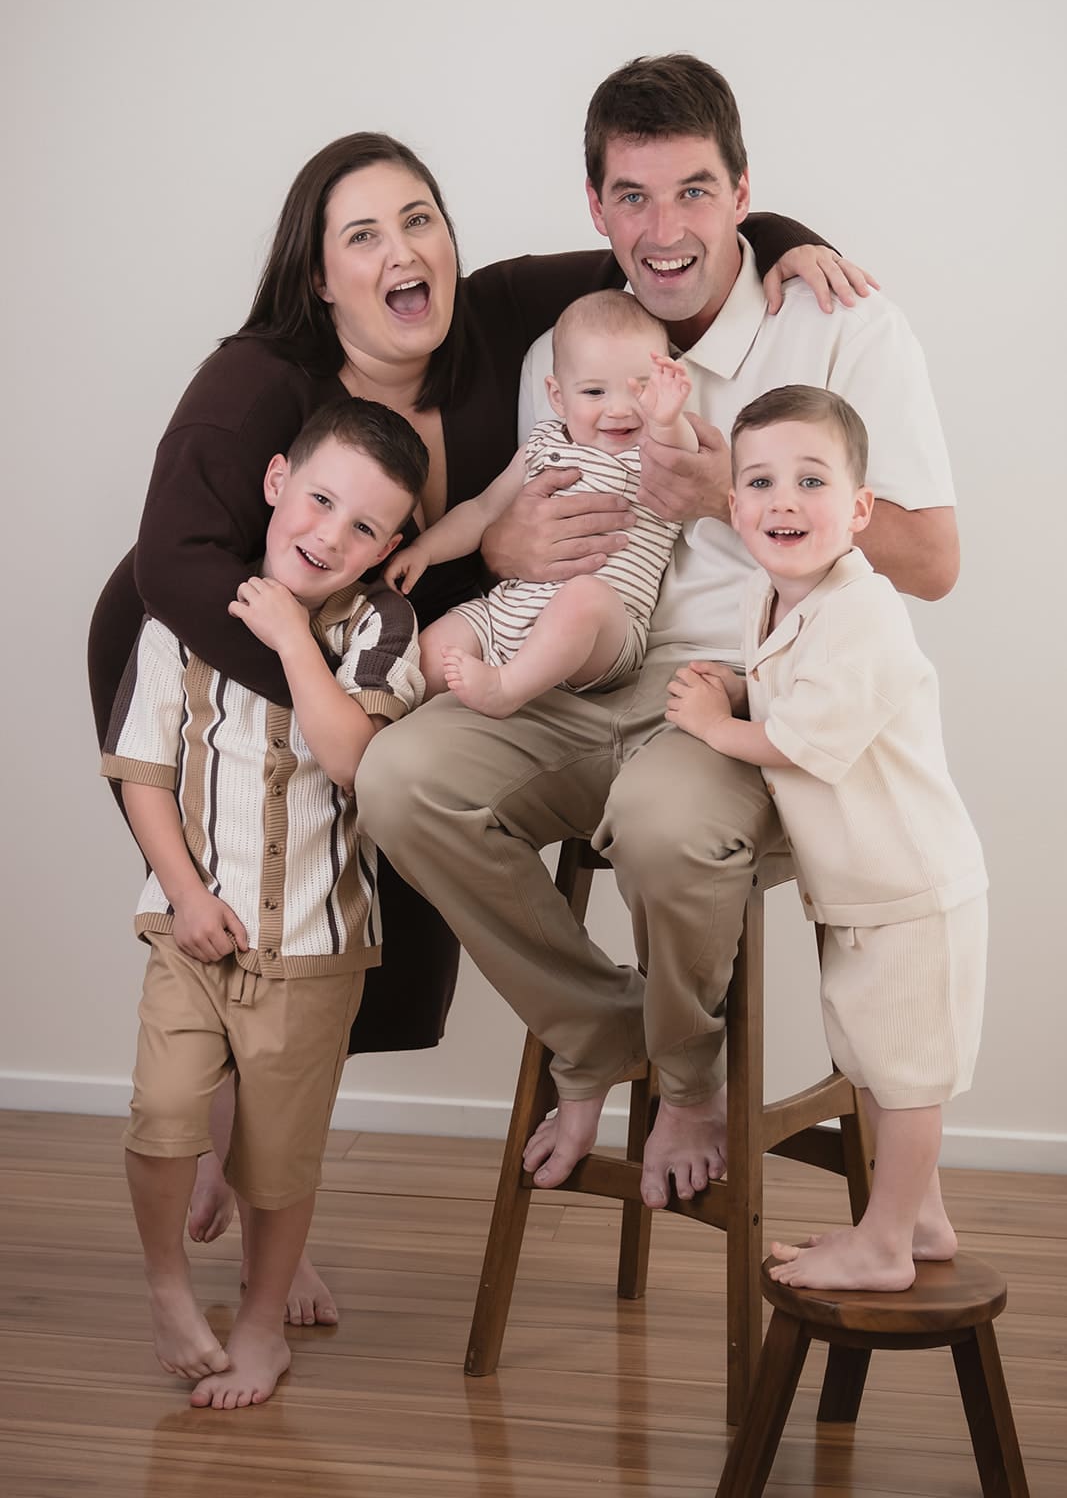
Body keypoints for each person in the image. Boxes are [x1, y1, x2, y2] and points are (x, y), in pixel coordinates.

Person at [88, 123, 863, 1315]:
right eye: (364, 235)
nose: (404, 252)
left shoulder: (498, 317)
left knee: (341, 945)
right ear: (317, 275)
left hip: (390, 664)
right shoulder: (257, 381)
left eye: (420, 221)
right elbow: (177, 564)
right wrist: (328, 670)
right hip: (220, 657)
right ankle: (252, 1199)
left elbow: (657, 251)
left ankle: (261, 1181)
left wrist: (778, 238)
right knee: (256, 934)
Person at [357, 54, 961, 1213]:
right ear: (595, 208)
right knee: (397, 777)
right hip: (579, 674)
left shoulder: (837, 325)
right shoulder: (563, 349)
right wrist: (497, 551)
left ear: (743, 195)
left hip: (744, 700)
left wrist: (725, 489)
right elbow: (520, 508)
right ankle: (601, 1032)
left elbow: (931, 561)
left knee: (660, 819)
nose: (663, 226)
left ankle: (687, 1075)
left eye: (692, 190)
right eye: (630, 196)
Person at [103, 399, 427, 1407]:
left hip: (316, 943)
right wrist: (187, 896)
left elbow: (352, 757)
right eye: (320, 499)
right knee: (162, 1112)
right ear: (277, 478)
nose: (329, 534)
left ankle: (259, 1321)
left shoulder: (383, 625)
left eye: (364, 526)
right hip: (192, 926)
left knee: (280, 1156)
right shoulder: (186, 611)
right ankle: (167, 1289)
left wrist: (294, 637)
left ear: (390, 545)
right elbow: (143, 771)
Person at [665, 385, 986, 1290]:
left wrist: (711, 725)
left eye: (812, 481)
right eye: (760, 481)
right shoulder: (770, 603)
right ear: (732, 508)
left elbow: (806, 743)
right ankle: (914, 1219)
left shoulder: (864, 610)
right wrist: (734, 688)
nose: (783, 501)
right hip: (859, 890)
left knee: (906, 1076)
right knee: (875, 1065)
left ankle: (882, 1242)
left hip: (911, 889)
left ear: (858, 508)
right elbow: (782, 689)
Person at [385, 292, 696, 716]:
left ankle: (507, 689)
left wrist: (669, 417)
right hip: (511, 612)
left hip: (605, 631)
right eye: (593, 391)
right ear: (557, 396)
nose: (620, 410)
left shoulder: (658, 446)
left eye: (641, 389)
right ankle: (375, 730)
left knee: (583, 597)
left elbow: (686, 458)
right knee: (428, 651)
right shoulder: (542, 443)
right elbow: (483, 510)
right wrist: (425, 550)